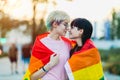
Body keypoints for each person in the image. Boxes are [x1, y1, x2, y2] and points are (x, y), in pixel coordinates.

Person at [23, 10, 71, 80]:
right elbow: (32, 77)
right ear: (55, 24)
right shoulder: (41, 44)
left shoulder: (68, 44)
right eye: (65, 24)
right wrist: (50, 64)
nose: (68, 28)